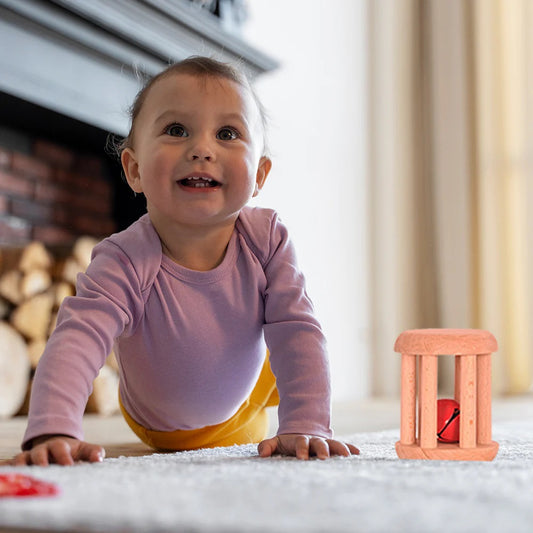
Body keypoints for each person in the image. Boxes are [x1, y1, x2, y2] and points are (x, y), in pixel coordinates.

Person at [9, 56, 359, 466]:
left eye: (228, 133)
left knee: (291, 337)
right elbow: (78, 338)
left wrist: (307, 424)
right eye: (176, 130)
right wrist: (55, 430)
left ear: (260, 176)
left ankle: (272, 402)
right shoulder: (124, 258)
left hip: (248, 395)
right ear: (134, 170)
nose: (202, 149)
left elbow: (297, 329)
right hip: (163, 429)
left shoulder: (267, 239)